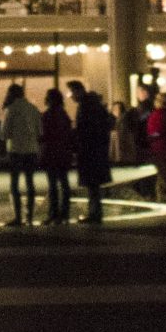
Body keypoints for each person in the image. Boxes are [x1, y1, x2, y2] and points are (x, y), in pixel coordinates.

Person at [69, 80, 116, 225]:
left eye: (72, 93)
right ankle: (95, 212)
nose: (71, 97)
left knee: (92, 184)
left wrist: (78, 143)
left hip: (90, 151)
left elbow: (85, 129)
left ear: (78, 91)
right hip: (96, 150)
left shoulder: (86, 106)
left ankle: (94, 213)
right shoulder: (94, 105)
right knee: (93, 184)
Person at [1, 82, 42, 227]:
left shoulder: (10, 110)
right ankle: (29, 216)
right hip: (31, 150)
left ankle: (18, 217)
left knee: (15, 184)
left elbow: (4, 133)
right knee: (30, 183)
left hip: (16, 151)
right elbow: (40, 131)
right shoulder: (33, 109)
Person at [39, 86, 75, 223]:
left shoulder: (47, 116)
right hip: (63, 154)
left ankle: (53, 214)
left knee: (53, 185)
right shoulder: (64, 115)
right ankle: (64, 214)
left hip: (51, 154)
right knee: (64, 184)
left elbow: (43, 136)